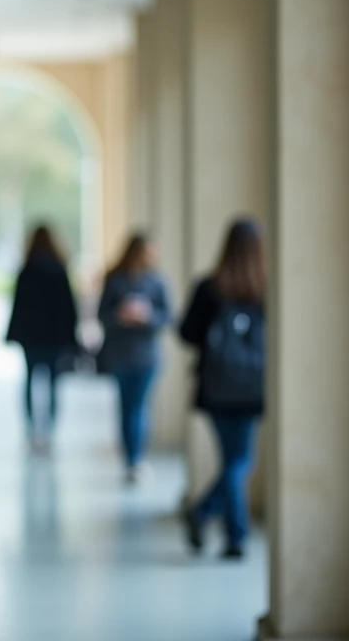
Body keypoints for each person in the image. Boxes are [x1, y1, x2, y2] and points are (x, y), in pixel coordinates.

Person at [179, 218, 267, 560]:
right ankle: (233, 534)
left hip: (216, 389)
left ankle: (204, 514)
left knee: (233, 460)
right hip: (252, 388)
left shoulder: (209, 288)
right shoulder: (265, 290)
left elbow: (187, 333)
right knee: (240, 460)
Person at [97, 233, 172, 483]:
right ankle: (131, 457)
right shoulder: (116, 281)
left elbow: (168, 317)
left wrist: (146, 317)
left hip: (147, 356)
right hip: (120, 354)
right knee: (126, 407)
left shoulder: (156, 282)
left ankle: (135, 458)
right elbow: (102, 315)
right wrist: (120, 316)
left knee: (138, 408)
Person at [6, 224, 79, 452]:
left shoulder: (26, 270)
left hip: (31, 338)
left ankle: (32, 431)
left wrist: (12, 334)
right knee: (53, 384)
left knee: (29, 381)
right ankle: (49, 430)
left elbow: (17, 307)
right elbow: (69, 307)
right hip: (55, 339)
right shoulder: (59, 270)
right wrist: (72, 337)